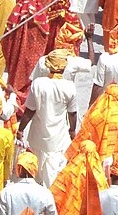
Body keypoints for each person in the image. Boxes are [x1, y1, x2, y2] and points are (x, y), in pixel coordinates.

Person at [17, 49, 79, 187]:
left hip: (38, 134)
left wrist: (21, 129)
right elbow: (72, 113)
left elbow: (29, 111)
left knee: (37, 168)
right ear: (64, 67)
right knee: (55, 171)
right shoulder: (69, 86)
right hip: (59, 137)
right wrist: (72, 130)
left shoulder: (38, 84)